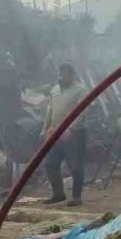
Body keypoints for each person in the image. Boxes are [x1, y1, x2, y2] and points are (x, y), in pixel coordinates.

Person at [40, 63, 89, 206]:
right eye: (60, 74)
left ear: (72, 75)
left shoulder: (80, 90)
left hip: (74, 133)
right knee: (50, 164)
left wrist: (71, 129)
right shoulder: (54, 90)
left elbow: (82, 111)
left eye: (64, 75)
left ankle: (76, 196)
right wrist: (45, 128)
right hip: (55, 132)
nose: (61, 78)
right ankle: (58, 194)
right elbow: (50, 110)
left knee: (75, 165)